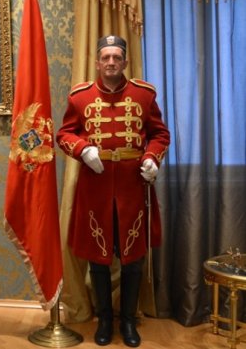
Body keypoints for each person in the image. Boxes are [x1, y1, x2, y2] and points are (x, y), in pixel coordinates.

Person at [56, 35, 170, 347]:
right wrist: (82, 149)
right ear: (97, 62)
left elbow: (160, 134)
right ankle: (104, 319)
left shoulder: (144, 94)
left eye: (116, 57)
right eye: (105, 57)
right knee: (99, 259)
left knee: (133, 257)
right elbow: (64, 134)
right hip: (95, 187)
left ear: (125, 62)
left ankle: (128, 320)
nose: (110, 63)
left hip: (134, 186)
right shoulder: (80, 97)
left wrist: (152, 157)